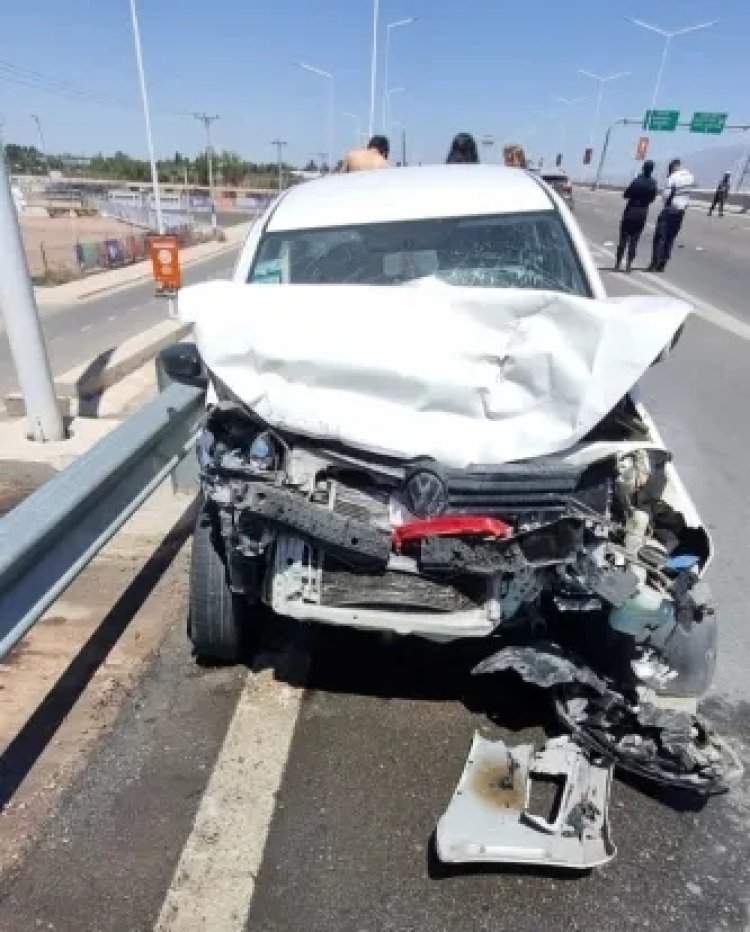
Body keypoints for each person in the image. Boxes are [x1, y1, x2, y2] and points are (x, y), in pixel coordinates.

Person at [648, 158, 695, 272]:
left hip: (670, 210)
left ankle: (654, 263)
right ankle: (663, 264)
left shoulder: (673, 177)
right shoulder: (690, 177)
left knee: (660, 237)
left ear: (673, 167)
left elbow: (666, 195)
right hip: (681, 212)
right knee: (670, 238)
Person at [615, 160, 657, 272]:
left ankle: (618, 263)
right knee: (635, 240)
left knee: (623, 239)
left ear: (643, 168)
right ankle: (628, 265)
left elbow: (626, 194)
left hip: (631, 210)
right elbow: (652, 199)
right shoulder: (653, 183)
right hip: (642, 213)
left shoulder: (637, 181)